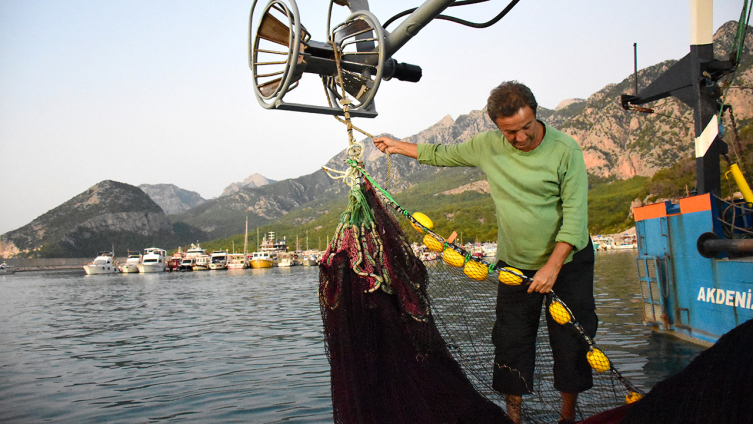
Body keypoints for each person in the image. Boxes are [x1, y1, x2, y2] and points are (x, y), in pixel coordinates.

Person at [373, 81, 596, 424]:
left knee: (571, 343)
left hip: (567, 264)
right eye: (510, 133)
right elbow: (440, 154)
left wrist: (553, 266)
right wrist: (395, 145)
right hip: (515, 265)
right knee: (511, 343)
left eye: (526, 127)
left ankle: (568, 417)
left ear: (536, 114)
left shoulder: (566, 150)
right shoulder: (487, 146)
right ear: (496, 126)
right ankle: (514, 418)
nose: (521, 138)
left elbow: (576, 219)